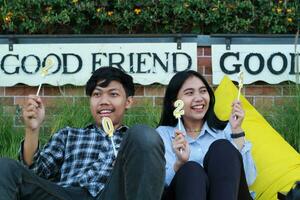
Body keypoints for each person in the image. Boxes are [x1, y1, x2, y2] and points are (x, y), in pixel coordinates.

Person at [0, 67, 166, 200]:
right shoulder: (69, 135)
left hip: (113, 194)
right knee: (5, 166)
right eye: (97, 94)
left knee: (144, 134)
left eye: (113, 94)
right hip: (66, 194)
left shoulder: (136, 143)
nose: (104, 101)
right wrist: (32, 129)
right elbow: (35, 173)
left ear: (128, 102)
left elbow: (151, 180)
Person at [156, 70, 257, 200]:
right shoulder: (163, 135)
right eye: (189, 93)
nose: (199, 98)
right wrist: (179, 164)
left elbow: (249, 179)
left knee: (222, 148)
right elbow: (159, 187)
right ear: (174, 102)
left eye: (203, 91)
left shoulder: (227, 130)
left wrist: (237, 131)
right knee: (191, 170)